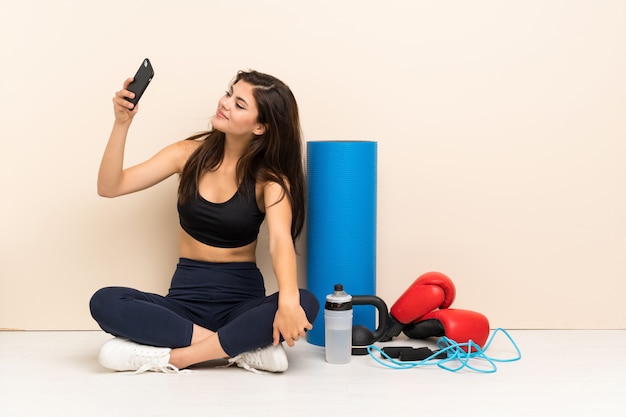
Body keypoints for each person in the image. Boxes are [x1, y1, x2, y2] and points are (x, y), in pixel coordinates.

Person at [89, 69, 320, 374]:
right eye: (229, 94)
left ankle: (177, 358)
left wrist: (290, 300)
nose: (225, 103)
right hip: (184, 304)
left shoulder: (271, 180)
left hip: (241, 304)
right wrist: (122, 124)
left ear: (261, 126)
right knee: (104, 301)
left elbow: (279, 242)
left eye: (240, 104)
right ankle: (237, 350)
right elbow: (110, 186)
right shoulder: (186, 155)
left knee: (306, 301)